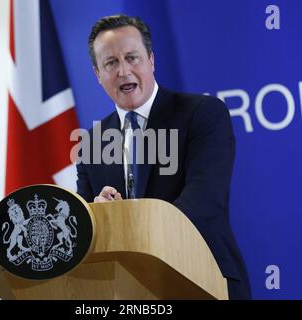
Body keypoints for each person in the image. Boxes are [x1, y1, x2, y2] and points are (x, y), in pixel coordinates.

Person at [76, 14, 251, 299]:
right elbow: (82, 225)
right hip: (126, 292)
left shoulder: (202, 114)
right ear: (97, 74)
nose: (123, 71)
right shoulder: (91, 143)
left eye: (132, 58)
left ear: (151, 60)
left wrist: (129, 225)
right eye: (111, 63)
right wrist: (100, 215)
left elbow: (204, 200)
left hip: (202, 279)